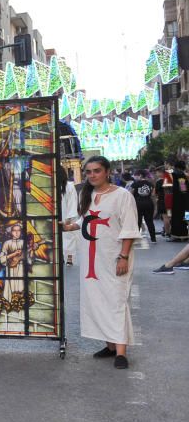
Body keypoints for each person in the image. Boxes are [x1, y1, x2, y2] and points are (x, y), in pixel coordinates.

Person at [62, 156, 139, 369]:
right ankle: (110, 346)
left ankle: (121, 352)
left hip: (114, 257)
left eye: (96, 171)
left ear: (107, 171)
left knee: (116, 301)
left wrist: (123, 256)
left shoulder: (122, 196)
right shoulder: (88, 194)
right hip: (91, 260)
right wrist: (68, 227)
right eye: (88, 172)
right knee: (97, 302)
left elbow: (130, 228)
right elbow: (85, 220)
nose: (92, 175)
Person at [130, 170, 157, 243]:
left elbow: (130, 195)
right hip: (149, 203)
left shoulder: (135, 184)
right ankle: (153, 239)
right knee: (150, 221)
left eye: (136, 175)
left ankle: (136, 239)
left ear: (140, 175)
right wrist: (155, 207)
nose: (135, 177)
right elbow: (153, 196)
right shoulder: (151, 184)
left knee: (138, 221)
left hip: (138, 204)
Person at [61, 171, 80, 265]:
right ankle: (61, 256)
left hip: (67, 216)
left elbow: (73, 202)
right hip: (59, 216)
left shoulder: (69, 186)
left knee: (69, 239)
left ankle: (69, 258)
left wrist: (69, 217)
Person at [168, 160, 188, 241]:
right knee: (185, 216)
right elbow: (183, 189)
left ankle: (176, 236)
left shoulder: (174, 173)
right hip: (183, 199)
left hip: (175, 199)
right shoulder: (181, 174)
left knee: (176, 217)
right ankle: (184, 234)